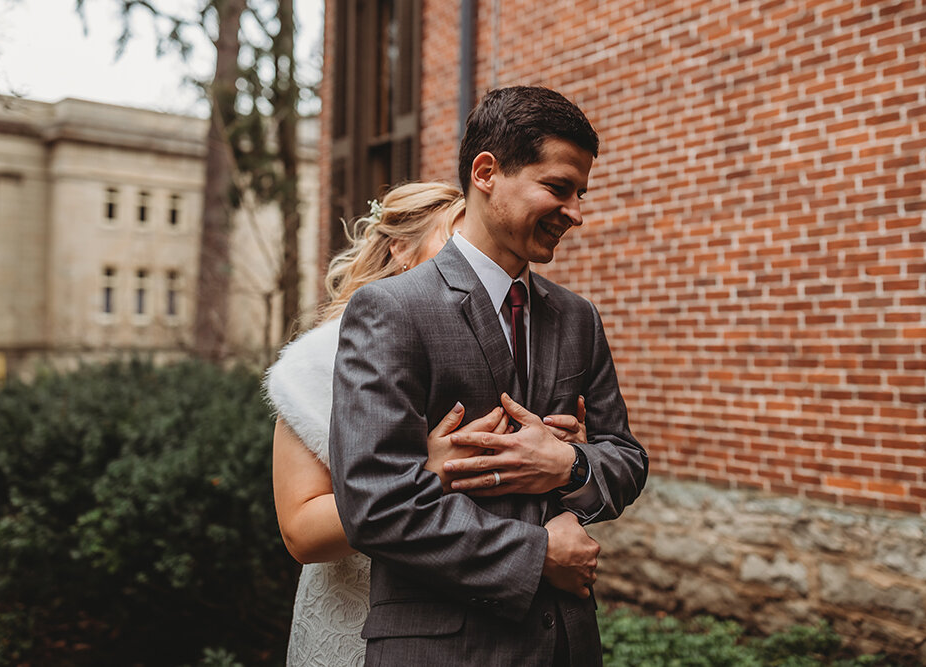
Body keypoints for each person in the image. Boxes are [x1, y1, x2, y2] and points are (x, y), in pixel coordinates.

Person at [329, 86, 649, 666]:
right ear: (486, 172)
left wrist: (569, 465)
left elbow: (626, 458)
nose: (575, 213)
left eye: (581, 194)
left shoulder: (578, 317)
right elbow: (373, 504)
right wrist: (536, 554)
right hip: (441, 648)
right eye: (557, 188)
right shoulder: (391, 310)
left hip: (567, 646)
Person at [265, 181, 589, 666]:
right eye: (456, 242)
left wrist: (566, 460)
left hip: (493, 623)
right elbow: (301, 532)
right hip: (367, 620)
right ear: (401, 250)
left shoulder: (524, 338)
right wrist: (429, 473)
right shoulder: (320, 359)